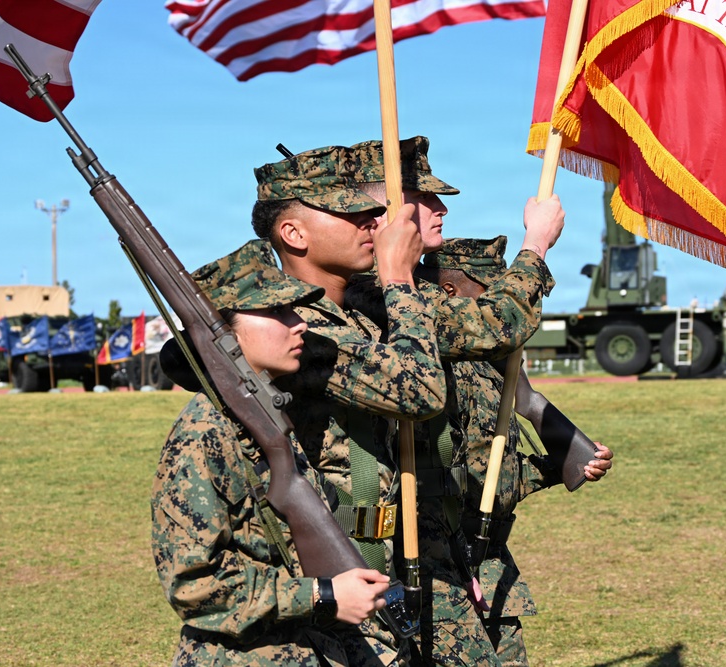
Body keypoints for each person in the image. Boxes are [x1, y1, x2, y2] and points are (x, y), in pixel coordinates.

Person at [342, 136, 566, 666]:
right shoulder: (376, 297)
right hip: (375, 542)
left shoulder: (398, 293)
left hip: (431, 540)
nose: (441, 208)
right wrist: (535, 245)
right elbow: (498, 323)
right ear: (385, 210)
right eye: (424, 198)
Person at [151, 239, 393, 667]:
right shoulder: (205, 431)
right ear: (223, 335)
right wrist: (321, 595)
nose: (299, 323)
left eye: (293, 310)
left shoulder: (266, 412)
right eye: (277, 312)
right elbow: (193, 584)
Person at [252, 144, 448, 666]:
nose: (372, 221)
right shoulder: (300, 333)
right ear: (293, 234)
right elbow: (419, 392)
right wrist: (398, 277)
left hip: (380, 556)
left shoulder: (357, 319)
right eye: (350, 212)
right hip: (330, 575)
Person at [420, 236, 614, 667]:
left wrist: (559, 460)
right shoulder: (428, 363)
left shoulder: (493, 366)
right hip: (443, 564)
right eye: (492, 291)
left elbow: (496, 469)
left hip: (490, 561)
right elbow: (456, 472)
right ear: (449, 290)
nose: (503, 305)